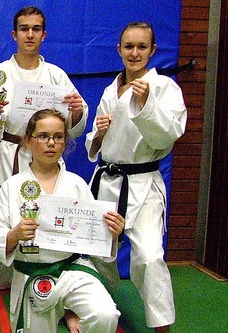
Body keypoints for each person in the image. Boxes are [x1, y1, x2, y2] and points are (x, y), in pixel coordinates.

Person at [85, 22, 186, 333]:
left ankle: (161, 326)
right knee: (96, 251)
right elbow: (95, 143)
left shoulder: (165, 88)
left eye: (142, 47)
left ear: (153, 51)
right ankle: (101, 303)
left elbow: (169, 136)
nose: (135, 52)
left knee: (150, 255)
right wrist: (98, 135)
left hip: (143, 183)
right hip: (108, 180)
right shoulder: (108, 90)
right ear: (119, 50)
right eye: (129, 46)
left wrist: (144, 107)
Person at [0, 109, 124, 333]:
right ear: (28, 141)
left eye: (58, 137)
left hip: (72, 269)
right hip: (32, 273)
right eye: (43, 136)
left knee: (105, 315)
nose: (51, 143)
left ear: (64, 142)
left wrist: (112, 234)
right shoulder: (11, 187)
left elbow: (94, 238)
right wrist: (14, 235)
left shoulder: (76, 184)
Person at [0, 6, 89, 291]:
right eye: (24, 29)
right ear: (14, 34)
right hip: (9, 150)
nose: (30, 34)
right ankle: (3, 276)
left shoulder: (56, 75)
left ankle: (48, 271)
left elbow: (73, 124)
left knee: (49, 212)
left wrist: (76, 112)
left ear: (44, 35)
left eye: (36, 29)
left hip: (47, 155)